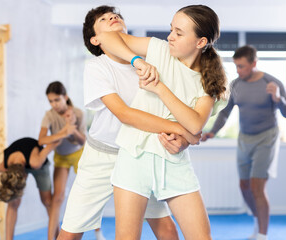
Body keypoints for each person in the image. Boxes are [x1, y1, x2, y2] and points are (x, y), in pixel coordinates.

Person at [57, 5, 203, 240]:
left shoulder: (155, 61)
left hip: (139, 154)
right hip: (101, 157)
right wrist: (182, 130)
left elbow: (171, 110)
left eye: (115, 15)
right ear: (95, 39)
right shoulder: (98, 67)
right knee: (72, 230)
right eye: (103, 19)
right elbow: (124, 114)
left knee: (166, 229)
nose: (113, 17)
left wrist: (183, 138)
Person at [93, 4, 227, 240]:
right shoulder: (158, 49)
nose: (170, 36)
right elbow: (106, 36)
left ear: (200, 42)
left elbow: (195, 124)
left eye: (178, 32)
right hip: (134, 156)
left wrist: (159, 88)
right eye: (171, 29)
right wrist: (137, 60)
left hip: (174, 162)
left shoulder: (210, 82)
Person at [201, 45, 286, 240]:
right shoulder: (236, 85)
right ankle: (257, 219)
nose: (238, 71)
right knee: (244, 186)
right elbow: (225, 113)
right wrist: (211, 132)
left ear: (254, 63)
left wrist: (278, 99)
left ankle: (262, 235)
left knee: (256, 186)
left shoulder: (272, 82)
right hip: (245, 138)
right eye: (236, 66)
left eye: (242, 66)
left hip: (267, 138)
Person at [0, 137, 59, 240]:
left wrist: (66, 132)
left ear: (23, 176)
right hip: (21, 162)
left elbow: (53, 143)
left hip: (38, 165)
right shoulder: (5, 164)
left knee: (48, 202)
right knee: (13, 203)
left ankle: (57, 236)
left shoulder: (36, 162)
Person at [38, 81, 101, 240]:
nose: (54, 104)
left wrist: (71, 129)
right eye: (51, 101)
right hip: (61, 157)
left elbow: (82, 141)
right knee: (57, 197)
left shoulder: (78, 113)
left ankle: (97, 232)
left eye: (57, 100)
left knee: (90, 192)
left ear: (65, 97)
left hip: (78, 153)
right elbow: (41, 140)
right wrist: (64, 132)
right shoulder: (49, 115)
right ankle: (51, 238)